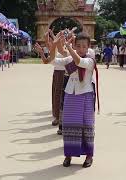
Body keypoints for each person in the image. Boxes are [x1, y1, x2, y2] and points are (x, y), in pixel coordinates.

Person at [42, 32, 98, 168]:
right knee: (69, 125)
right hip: (70, 94)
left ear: (89, 47)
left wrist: (69, 48)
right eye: (78, 46)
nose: (81, 49)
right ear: (74, 45)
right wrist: (54, 45)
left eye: (84, 46)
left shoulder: (90, 61)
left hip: (85, 95)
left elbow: (79, 61)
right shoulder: (69, 59)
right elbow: (52, 61)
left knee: (86, 125)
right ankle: (69, 155)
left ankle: (89, 155)